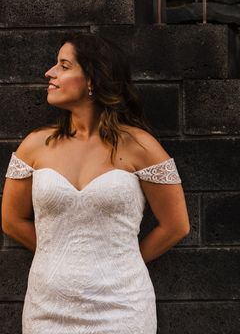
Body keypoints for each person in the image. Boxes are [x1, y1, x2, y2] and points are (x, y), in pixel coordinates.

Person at [1, 33, 190, 333]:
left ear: (92, 79)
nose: (50, 73)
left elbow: (176, 225)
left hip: (123, 306)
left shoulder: (140, 146)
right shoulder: (34, 146)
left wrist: (120, 261)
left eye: (64, 65)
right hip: (47, 308)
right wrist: (60, 257)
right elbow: (11, 220)